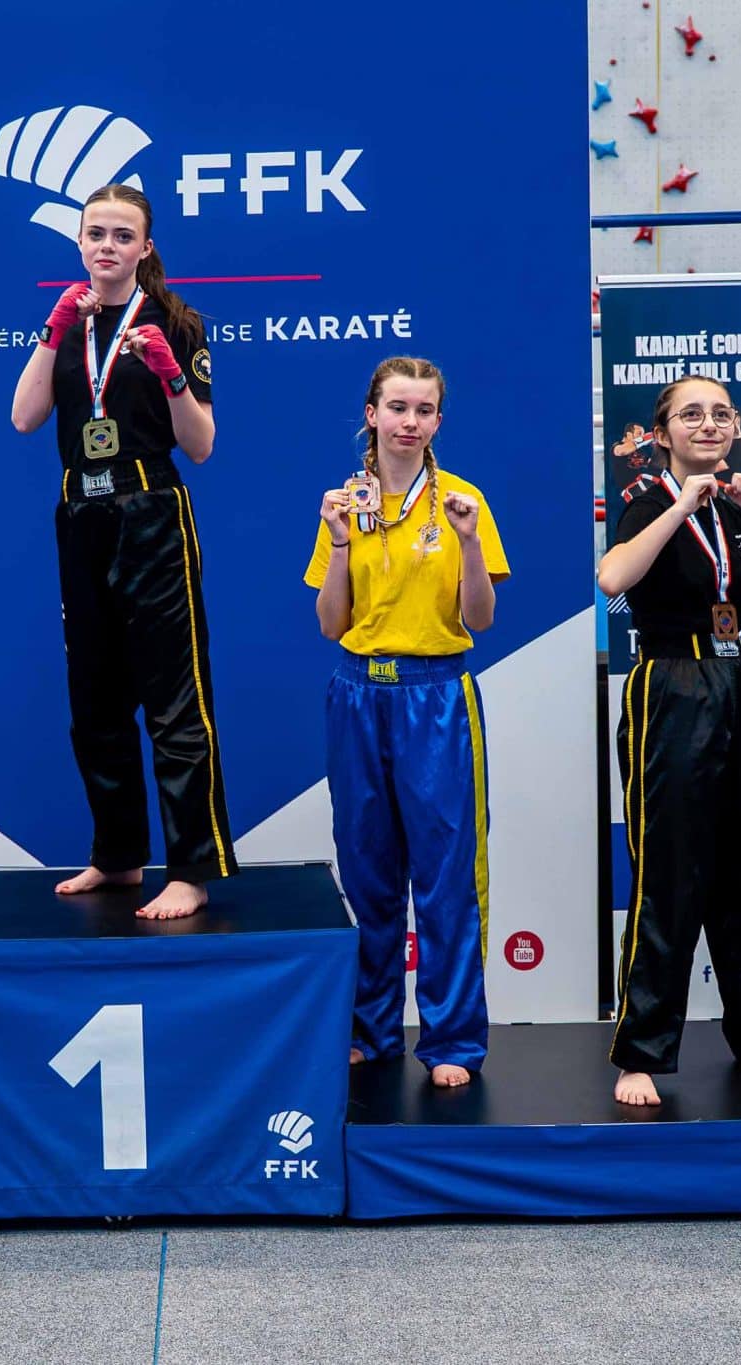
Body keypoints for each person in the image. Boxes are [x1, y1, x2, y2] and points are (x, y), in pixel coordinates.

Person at [596, 377, 741, 1106]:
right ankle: (641, 1052)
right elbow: (613, 579)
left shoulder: (740, 509)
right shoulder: (647, 500)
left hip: (737, 681)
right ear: (663, 431)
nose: (708, 424)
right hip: (670, 683)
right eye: (691, 414)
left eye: (720, 414)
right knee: (668, 873)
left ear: (736, 428)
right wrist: (680, 507)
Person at [10, 183, 234, 920]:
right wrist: (52, 332)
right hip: (81, 511)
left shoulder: (177, 322)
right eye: (96, 234)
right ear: (80, 242)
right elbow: (24, 418)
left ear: (145, 248)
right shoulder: (67, 321)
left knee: (175, 701)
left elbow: (202, 446)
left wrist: (171, 375)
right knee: (95, 700)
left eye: (122, 235)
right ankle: (117, 855)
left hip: (152, 510)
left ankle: (192, 868)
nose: (107, 246)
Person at [307, 357, 508, 1087]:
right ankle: (371, 1030)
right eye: (397, 407)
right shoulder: (345, 502)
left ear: (438, 422)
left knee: (447, 875)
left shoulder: (462, 501)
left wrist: (470, 542)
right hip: (358, 691)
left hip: (436, 695)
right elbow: (331, 624)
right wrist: (337, 540)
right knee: (367, 871)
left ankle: (452, 1039)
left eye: (423, 410)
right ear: (372, 414)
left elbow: (480, 619)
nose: (409, 421)